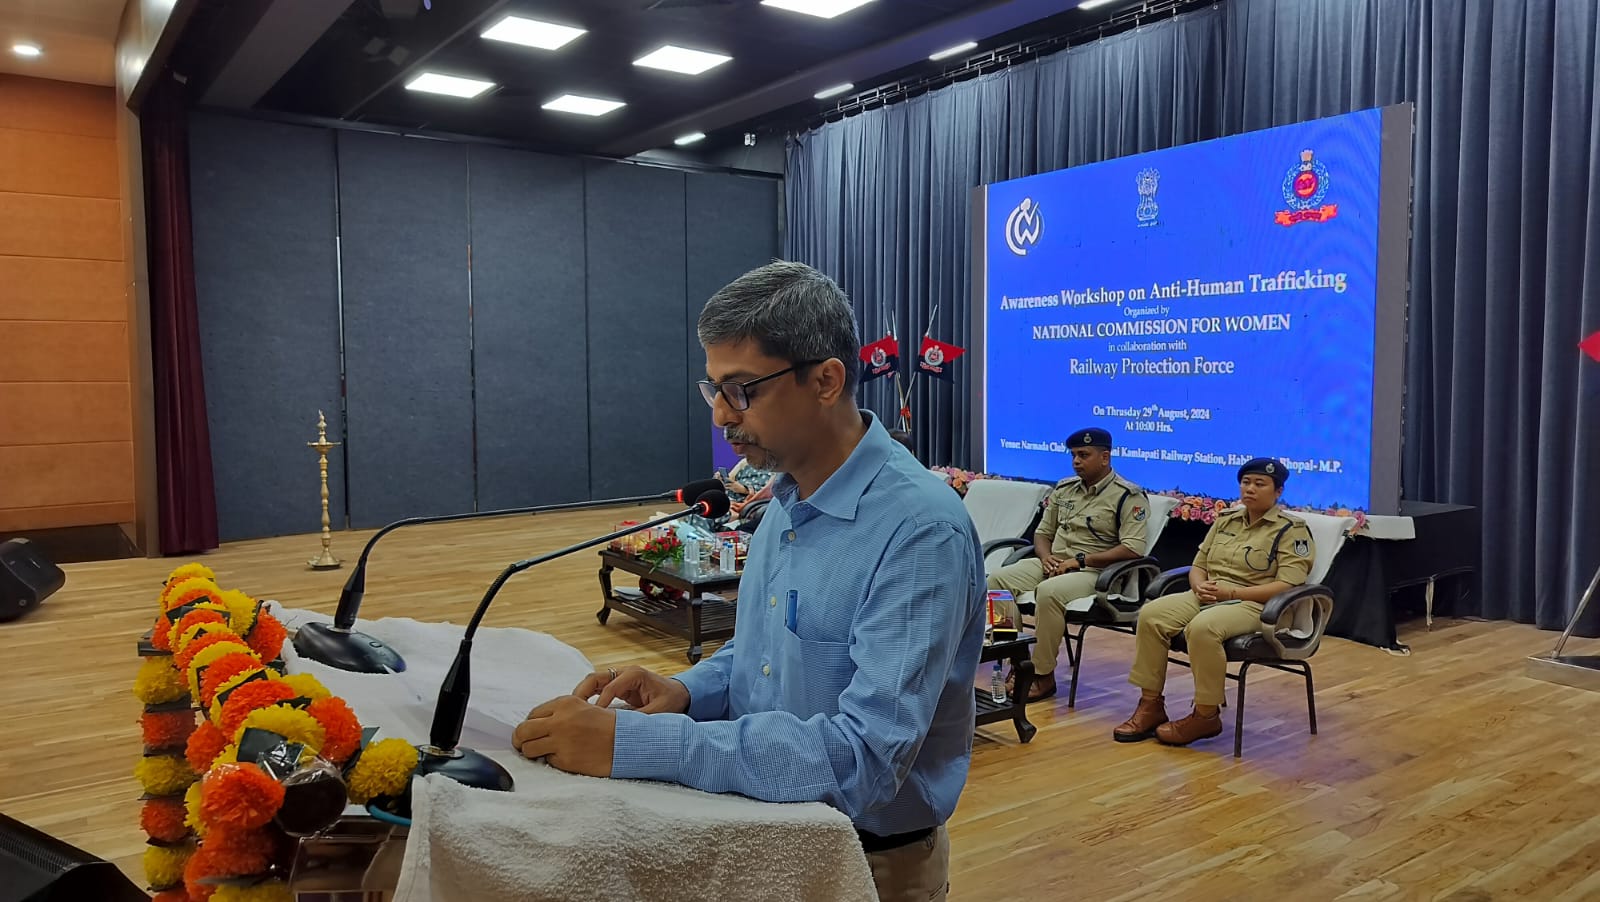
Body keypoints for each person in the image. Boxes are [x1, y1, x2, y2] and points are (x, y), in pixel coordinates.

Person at [512, 261, 987, 902]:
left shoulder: (920, 530)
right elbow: (765, 652)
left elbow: (864, 759)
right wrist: (685, 691)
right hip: (762, 835)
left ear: (825, 380)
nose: (720, 418)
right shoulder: (786, 499)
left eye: (741, 390)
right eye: (712, 390)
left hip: (862, 866)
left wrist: (637, 743)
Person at [1115, 457, 1316, 747]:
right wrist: (1198, 586)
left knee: (1202, 628)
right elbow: (1198, 565)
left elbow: (1288, 584)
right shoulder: (1226, 520)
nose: (1250, 489)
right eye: (1246, 482)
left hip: (1255, 604)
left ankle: (1206, 715)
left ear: (1278, 491)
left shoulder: (1290, 530)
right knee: (1151, 615)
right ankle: (1150, 705)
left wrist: (1231, 593)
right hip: (1208, 595)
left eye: (1260, 484)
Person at [986, 428, 1149, 701]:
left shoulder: (1127, 495)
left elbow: (1133, 548)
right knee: (996, 582)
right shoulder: (1064, 489)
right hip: (1054, 562)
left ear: (1105, 457)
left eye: (1083, 455)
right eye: (1073, 455)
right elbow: (1042, 533)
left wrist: (1081, 560)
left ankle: (1042, 674)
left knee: (1049, 593)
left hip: (1094, 571)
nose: (1076, 461)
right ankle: (1015, 657)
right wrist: (1045, 556)